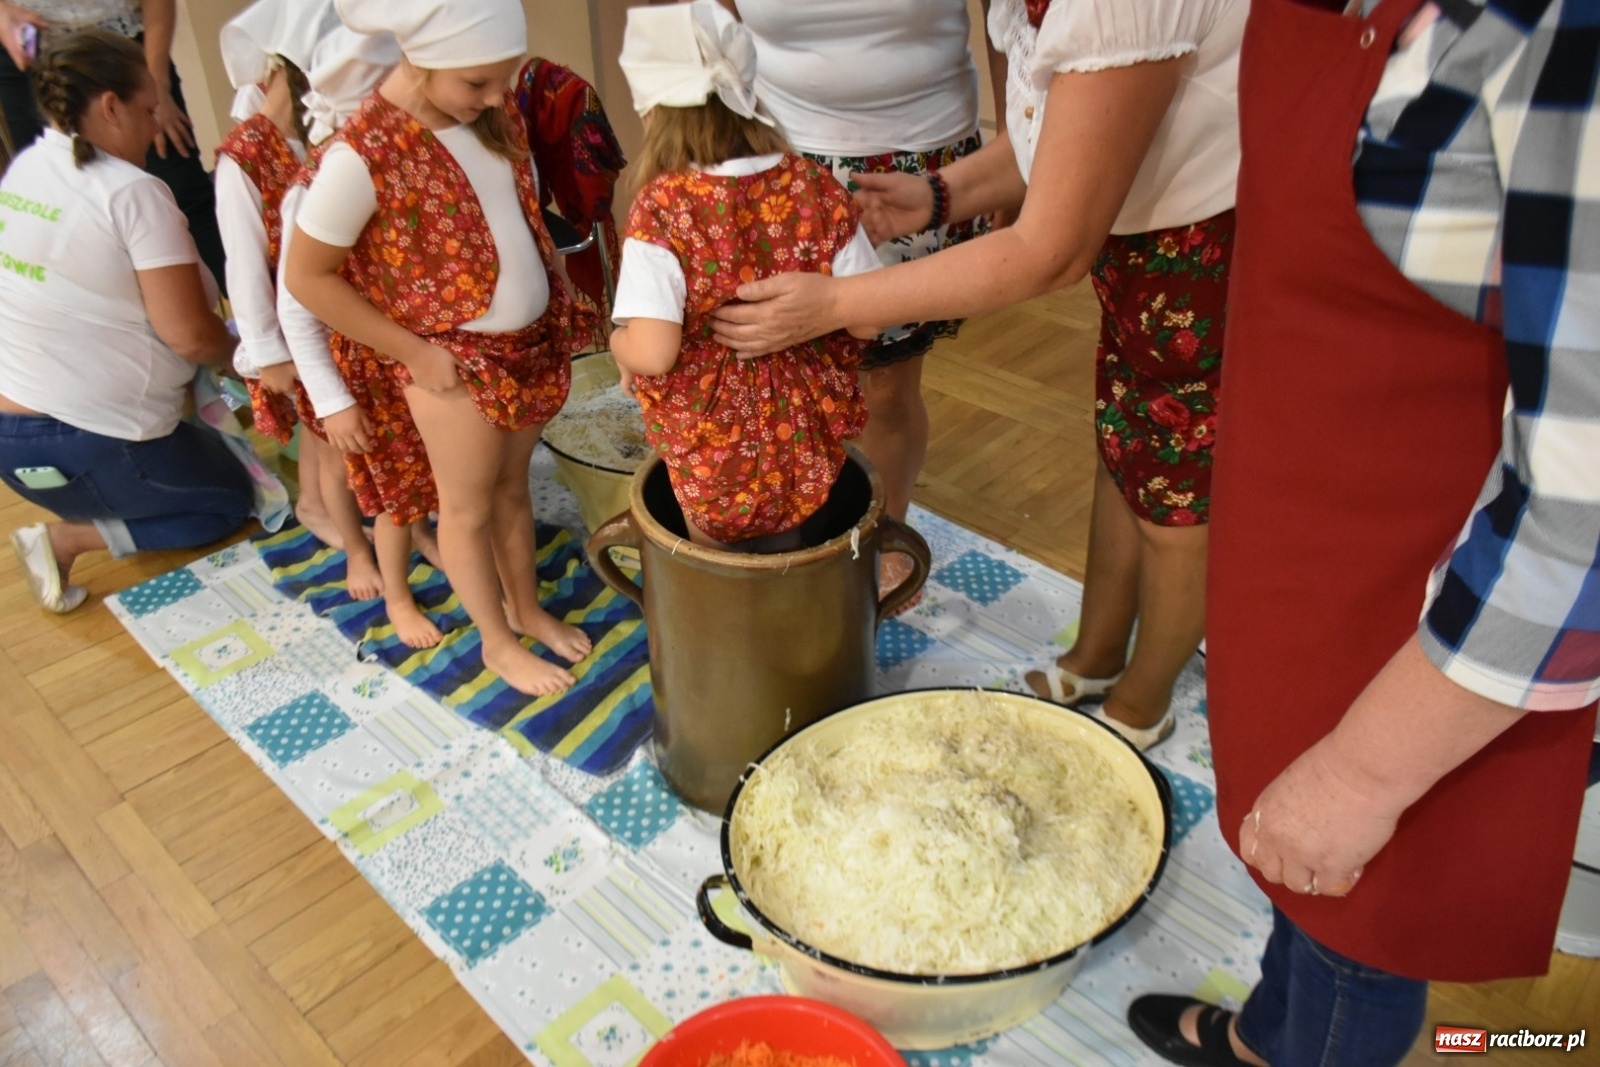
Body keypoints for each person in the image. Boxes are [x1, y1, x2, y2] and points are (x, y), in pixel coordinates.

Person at [1125, 0, 1600, 1063]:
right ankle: (1263, 1033)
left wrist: (1363, 774)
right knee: (1288, 860)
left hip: (1421, 633)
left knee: (1361, 918)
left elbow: (1584, 512)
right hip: (1298, 562)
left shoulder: (1564, 33)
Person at [710, 0, 1246, 749]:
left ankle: (1143, 699)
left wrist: (835, 302)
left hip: (1200, 255)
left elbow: (1050, 248)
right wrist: (939, 194)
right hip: (1136, 252)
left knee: (1178, 491)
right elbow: (1055, 138)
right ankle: (1095, 656)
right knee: (1122, 444)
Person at [286, 0, 594, 695]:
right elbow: (307, 276)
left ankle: (526, 608)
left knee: (513, 490)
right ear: (418, 63)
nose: (497, 96)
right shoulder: (360, 156)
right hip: (451, 363)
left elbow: (510, 207)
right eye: (478, 82)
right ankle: (496, 641)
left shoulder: (487, 115)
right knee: (467, 508)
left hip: (526, 344)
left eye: (503, 79)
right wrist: (414, 352)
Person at [711, 0, 987, 587]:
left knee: (884, 386)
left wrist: (1020, 141)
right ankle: (802, 523)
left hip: (917, 167)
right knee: (786, 377)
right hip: (778, 157)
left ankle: (883, 532)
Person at [608, 1, 881, 553]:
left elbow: (656, 352)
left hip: (712, 443)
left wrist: (619, 345)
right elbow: (869, 321)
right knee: (794, 545)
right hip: (803, 431)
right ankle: (795, 619)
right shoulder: (816, 185)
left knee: (715, 569)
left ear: (653, 111)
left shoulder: (663, 208)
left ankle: (731, 627)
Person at [0, 30, 251, 613]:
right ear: (110, 107)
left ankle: (100, 503)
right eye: (147, 110)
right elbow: (189, 334)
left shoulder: (28, 167)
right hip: (84, 442)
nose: (154, 125)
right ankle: (68, 540)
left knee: (197, 450)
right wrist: (249, 359)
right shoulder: (131, 192)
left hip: (13, 441)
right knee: (230, 498)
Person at [215, 0, 371, 579]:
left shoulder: (315, 139)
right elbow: (244, 265)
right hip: (293, 316)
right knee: (322, 422)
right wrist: (267, 351)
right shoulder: (245, 158)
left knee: (323, 425)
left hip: (330, 307)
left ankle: (315, 498)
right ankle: (318, 503)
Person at [0, 0, 227, 291]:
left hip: (123, 46)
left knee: (182, 188)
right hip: (28, 49)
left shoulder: (138, 192)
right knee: (51, 205)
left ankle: (238, 311)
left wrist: (156, 86)